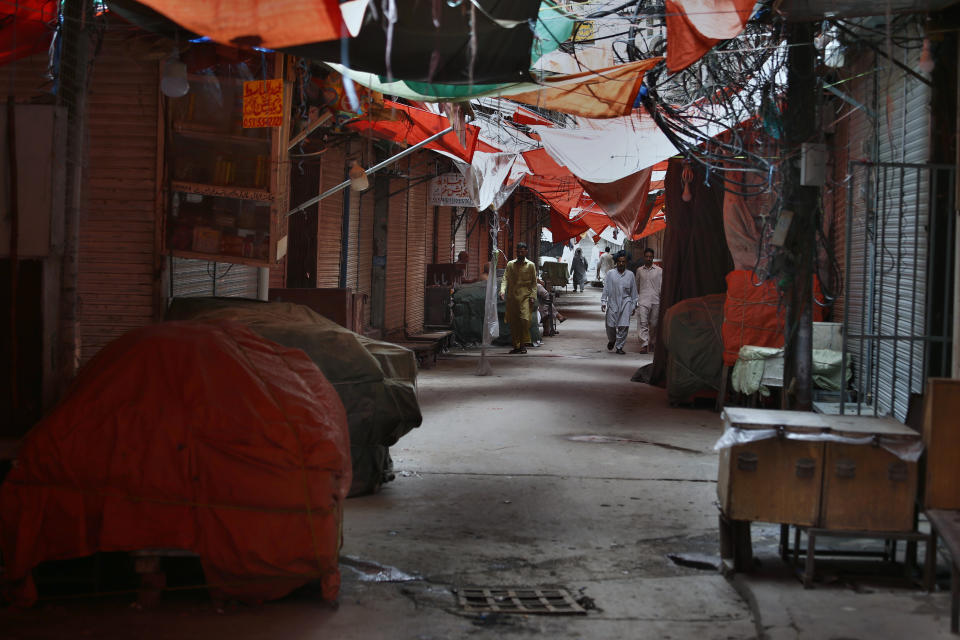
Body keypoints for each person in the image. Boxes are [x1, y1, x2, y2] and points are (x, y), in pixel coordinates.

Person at [499, 242, 538, 354]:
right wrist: (502, 291)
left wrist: (532, 296)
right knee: (514, 322)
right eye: (518, 251)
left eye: (522, 251)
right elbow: (505, 279)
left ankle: (523, 343)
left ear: (526, 252)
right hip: (512, 298)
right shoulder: (510, 264)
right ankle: (517, 346)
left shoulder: (531, 265)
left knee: (524, 320)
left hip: (525, 298)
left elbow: (534, 283)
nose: (520, 253)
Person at [601, 251, 638, 355]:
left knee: (624, 325)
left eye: (623, 262)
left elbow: (633, 291)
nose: (621, 264)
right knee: (610, 325)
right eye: (619, 261)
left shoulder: (630, 275)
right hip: (612, 302)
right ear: (616, 262)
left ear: (626, 263)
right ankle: (612, 340)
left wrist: (634, 304)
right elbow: (606, 288)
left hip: (626, 302)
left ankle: (619, 347)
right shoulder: (610, 274)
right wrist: (604, 301)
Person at [634, 248, 662, 354]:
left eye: (650, 257)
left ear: (653, 258)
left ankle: (652, 342)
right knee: (643, 323)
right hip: (643, 300)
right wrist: (637, 298)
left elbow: (661, 286)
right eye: (647, 256)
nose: (649, 258)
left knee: (654, 324)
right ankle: (644, 344)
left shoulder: (659, 271)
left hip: (656, 300)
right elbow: (637, 285)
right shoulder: (639, 270)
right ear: (644, 257)